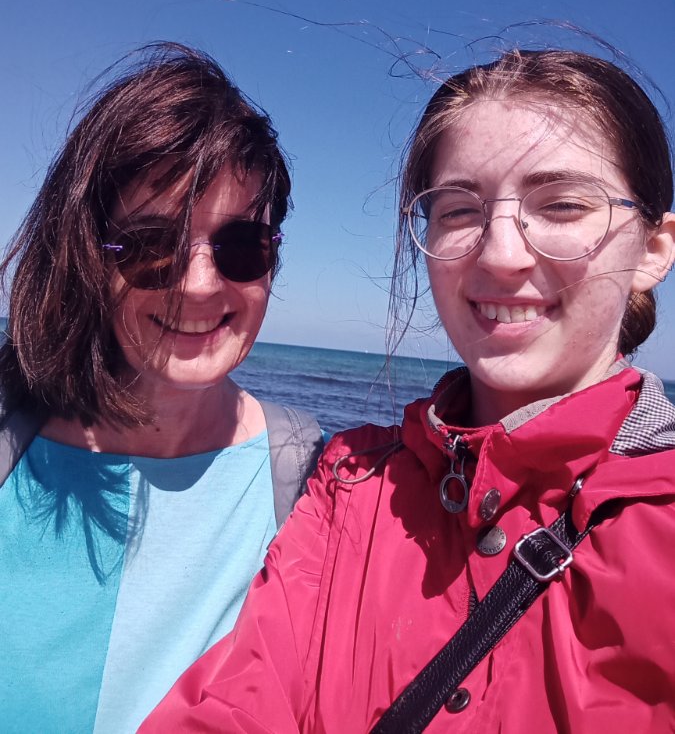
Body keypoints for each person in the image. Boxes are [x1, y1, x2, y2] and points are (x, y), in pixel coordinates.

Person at [143, 48, 675, 733]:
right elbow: (238, 702)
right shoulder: (353, 484)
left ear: (653, 250)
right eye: (459, 211)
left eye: (563, 205)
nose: (500, 254)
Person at [0, 42, 323, 733]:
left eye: (241, 246)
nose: (199, 285)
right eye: (152, 244)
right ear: (84, 254)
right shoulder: (11, 438)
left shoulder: (306, 477)